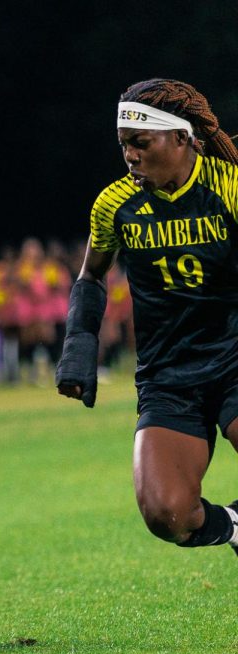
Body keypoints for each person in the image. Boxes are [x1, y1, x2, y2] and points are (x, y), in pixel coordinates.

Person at [57, 78, 238, 556]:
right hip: (168, 375)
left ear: (181, 139)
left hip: (236, 359)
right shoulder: (114, 204)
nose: (130, 156)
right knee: (169, 515)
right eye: (124, 146)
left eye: (141, 143)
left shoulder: (229, 188)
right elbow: (91, 277)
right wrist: (78, 349)